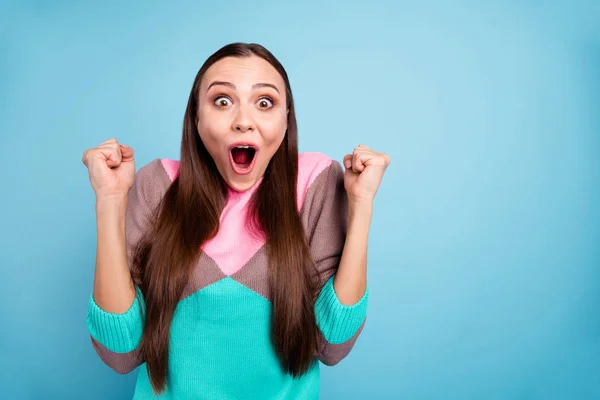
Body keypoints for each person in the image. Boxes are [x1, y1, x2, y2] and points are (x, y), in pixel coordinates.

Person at [81, 42, 391, 399]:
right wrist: (109, 199)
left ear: (287, 119)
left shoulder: (315, 182)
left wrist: (362, 203)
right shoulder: (158, 185)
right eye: (222, 101)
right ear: (196, 119)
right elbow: (120, 353)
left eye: (265, 103)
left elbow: (332, 343)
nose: (244, 120)